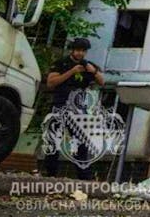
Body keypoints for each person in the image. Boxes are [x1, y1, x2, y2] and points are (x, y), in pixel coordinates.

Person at [44, 37, 105, 179]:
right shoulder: (61, 63)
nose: (80, 54)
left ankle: (84, 177)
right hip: (60, 104)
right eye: (78, 50)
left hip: (78, 108)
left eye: (83, 51)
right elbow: (51, 83)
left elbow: (102, 82)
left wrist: (93, 72)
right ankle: (50, 174)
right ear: (72, 50)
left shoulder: (88, 65)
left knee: (81, 142)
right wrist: (71, 72)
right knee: (54, 139)